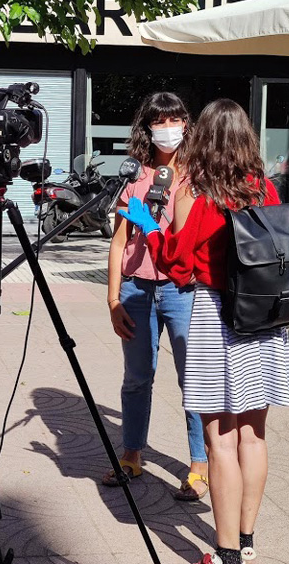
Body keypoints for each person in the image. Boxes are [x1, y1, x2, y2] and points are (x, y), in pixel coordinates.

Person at [120, 99, 289, 564]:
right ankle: (249, 538)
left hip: (217, 321)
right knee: (254, 436)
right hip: (263, 323)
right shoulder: (266, 190)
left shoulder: (196, 193)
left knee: (220, 439)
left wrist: (146, 227)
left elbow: (177, 265)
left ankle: (225, 551)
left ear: (204, 139)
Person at [103, 92, 208, 502]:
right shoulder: (134, 176)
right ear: (146, 128)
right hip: (136, 288)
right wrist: (113, 300)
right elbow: (117, 243)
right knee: (136, 378)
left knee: (193, 381)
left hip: (183, 289)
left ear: (187, 124)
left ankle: (199, 464)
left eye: (176, 120)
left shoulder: (196, 177)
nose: (169, 129)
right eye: (160, 122)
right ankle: (132, 455)